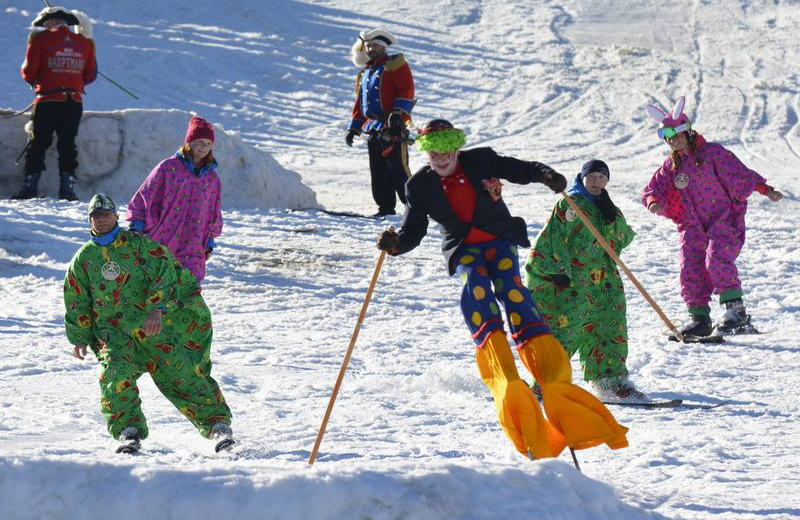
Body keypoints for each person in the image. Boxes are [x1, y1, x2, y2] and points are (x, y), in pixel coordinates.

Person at [376, 119, 629, 459]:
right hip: (464, 249)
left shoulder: (480, 160)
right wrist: (395, 245)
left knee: (512, 291)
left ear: (456, 148)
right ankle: (503, 371)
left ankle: (545, 365)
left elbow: (518, 169)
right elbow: (413, 230)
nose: (440, 159)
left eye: (446, 151)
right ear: (427, 154)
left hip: (499, 241)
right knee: (478, 292)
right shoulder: (418, 186)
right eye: (433, 153)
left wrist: (545, 174)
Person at [64, 194, 234, 453]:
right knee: (114, 376)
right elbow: (77, 299)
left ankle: (218, 427)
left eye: (106, 214)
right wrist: (78, 336)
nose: (101, 219)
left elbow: (166, 273)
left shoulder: (140, 246)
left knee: (184, 375)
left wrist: (157, 308)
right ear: (90, 220)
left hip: (156, 330)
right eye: (96, 216)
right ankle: (127, 432)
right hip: (116, 335)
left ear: (116, 217)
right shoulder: (83, 259)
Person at [642, 96, 784, 337]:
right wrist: (654, 201)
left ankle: (735, 312)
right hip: (692, 224)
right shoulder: (672, 165)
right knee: (690, 266)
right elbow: (654, 187)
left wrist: (765, 189)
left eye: (677, 135)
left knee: (716, 259)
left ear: (687, 132)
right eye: (669, 138)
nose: (674, 141)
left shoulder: (712, 153)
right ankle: (699, 319)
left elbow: (740, 174)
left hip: (722, 219)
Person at [524, 159, 640, 400]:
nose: (596, 182)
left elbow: (620, 238)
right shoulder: (570, 205)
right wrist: (556, 270)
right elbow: (552, 238)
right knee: (565, 329)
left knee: (609, 325)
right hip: (574, 282)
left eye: (602, 178)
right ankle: (546, 384)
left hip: (605, 281)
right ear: (583, 178)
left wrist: (612, 220)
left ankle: (610, 381)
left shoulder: (608, 206)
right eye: (592, 177)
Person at [13, 6, 97, 201]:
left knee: (39, 143)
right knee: (68, 145)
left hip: (47, 101)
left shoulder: (40, 39)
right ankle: (67, 190)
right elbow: (91, 75)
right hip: (73, 102)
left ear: (49, 23)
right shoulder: (85, 43)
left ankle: (29, 187)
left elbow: (28, 72)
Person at [126, 116, 223, 283]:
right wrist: (137, 226)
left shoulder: (212, 179)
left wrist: (210, 240)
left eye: (208, 144)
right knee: (156, 284)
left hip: (194, 242)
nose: (204, 148)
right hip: (162, 237)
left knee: (188, 286)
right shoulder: (168, 168)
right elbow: (145, 196)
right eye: (199, 142)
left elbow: (213, 211)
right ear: (189, 142)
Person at [346, 28, 415, 218]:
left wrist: (398, 114)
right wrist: (354, 127)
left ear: (383, 47)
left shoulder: (395, 65)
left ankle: (415, 207)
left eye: (375, 45)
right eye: (368, 45)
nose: (371, 48)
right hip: (373, 128)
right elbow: (361, 103)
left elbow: (406, 90)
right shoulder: (366, 72)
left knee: (399, 170)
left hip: (393, 126)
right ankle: (385, 208)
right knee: (378, 172)